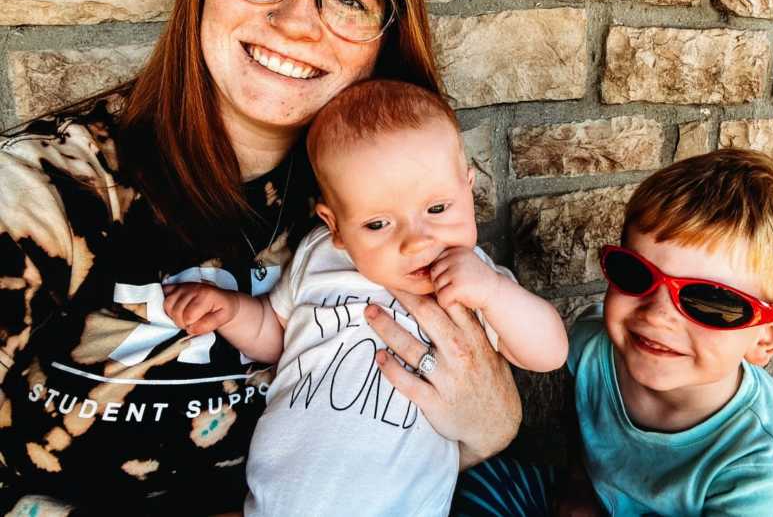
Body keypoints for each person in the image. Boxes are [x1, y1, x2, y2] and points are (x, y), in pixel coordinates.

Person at [0, 0, 521, 514]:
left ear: (383, 42)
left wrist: (494, 416)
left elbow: (477, 414)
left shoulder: (389, 204)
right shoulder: (50, 189)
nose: (298, 18)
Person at [165, 79, 569, 515]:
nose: (417, 242)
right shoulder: (317, 258)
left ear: (467, 188)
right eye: (378, 224)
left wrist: (495, 294)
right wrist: (231, 312)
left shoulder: (472, 279)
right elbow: (276, 337)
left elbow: (549, 352)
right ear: (334, 225)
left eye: (438, 209)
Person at [561, 148, 773, 516]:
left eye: (711, 302)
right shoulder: (590, 347)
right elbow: (578, 430)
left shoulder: (761, 458)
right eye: (635, 273)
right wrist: (578, 487)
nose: (657, 315)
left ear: (766, 338)